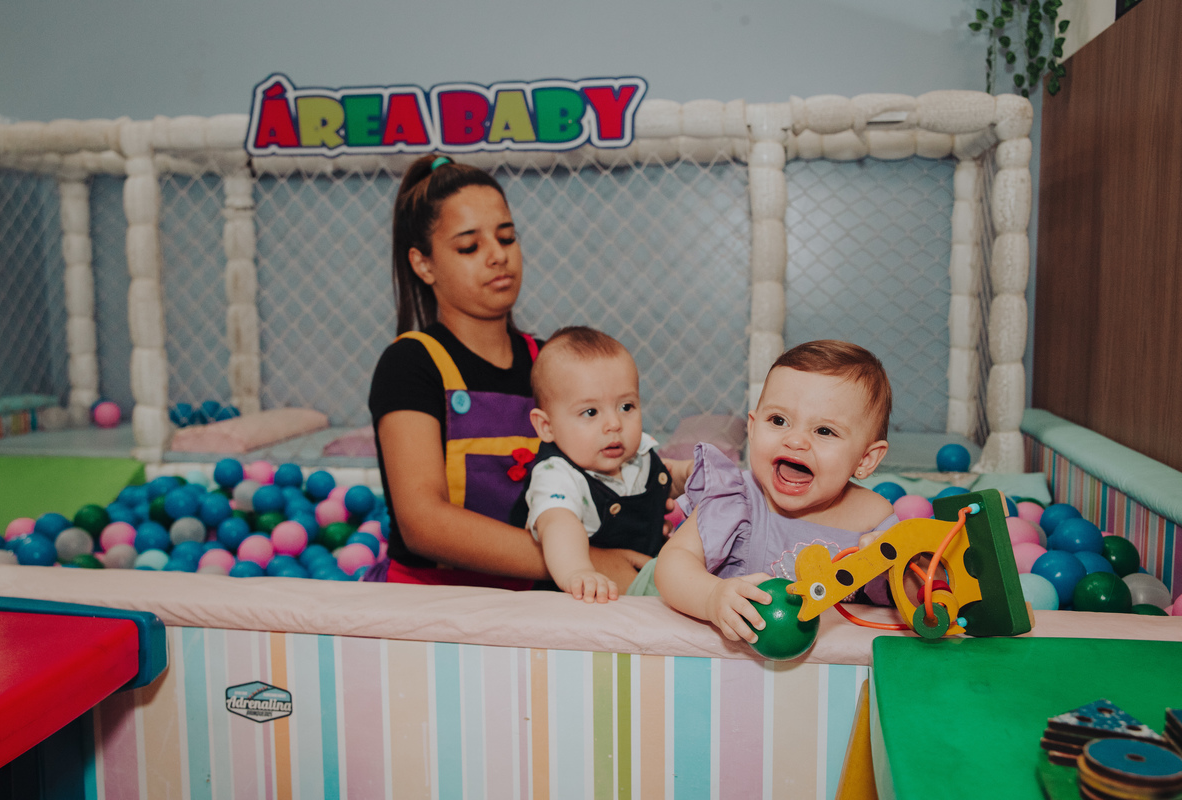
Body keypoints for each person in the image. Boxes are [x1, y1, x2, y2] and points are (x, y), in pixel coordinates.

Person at [362, 155, 650, 589]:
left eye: (507, 237)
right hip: (430, 600)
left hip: (533, 600)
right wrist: (575, 562)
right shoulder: (411, 364)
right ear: (423, 264)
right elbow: (423, 523)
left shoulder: (549, 363)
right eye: (469, 247)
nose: (498, 256)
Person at [654, 339, 898, 646]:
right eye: (779, 420)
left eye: (824, 431)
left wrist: (899, 566)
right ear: (753, 429)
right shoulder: (738, 498)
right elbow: (673, 562)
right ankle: (674, 475)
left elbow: (924, 595)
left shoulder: (875, 519)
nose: (795, 441)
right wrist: (711, 596)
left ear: (865, 459)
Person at [509, 326, 692, 603]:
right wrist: (579, 571)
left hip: (647, 593)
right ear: (546, 427)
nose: (614, 424)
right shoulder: (556, 475)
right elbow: (559, 524)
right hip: (582, 599)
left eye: (626, 407)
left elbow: (667, 476)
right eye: (590, 412)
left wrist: (693, 473)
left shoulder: (636, 454)